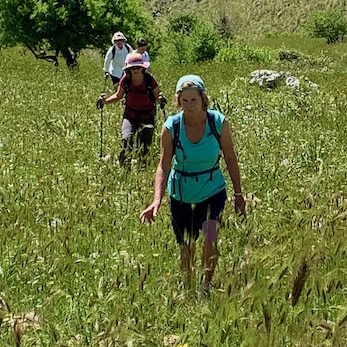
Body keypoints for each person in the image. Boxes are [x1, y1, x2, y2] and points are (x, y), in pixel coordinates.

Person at [141, 75, 246, 292]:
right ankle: (188, 289)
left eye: (194, 100)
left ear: (203, 99)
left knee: (210, 238)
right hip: (181, 194)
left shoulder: (218, 123)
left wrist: (238, 194)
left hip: (212, 191)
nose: (189, 106)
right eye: (184, 101)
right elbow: (164, 165)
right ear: (178, 101)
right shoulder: (172, 127)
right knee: (187, 246)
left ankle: (205, 287)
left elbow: (230, 158)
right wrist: (156, 200)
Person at [98, 51, 162, 166]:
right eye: (133, 68)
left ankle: (142, 169)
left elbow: (158, 95)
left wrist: (161, 99)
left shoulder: (149, 79)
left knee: (144, 146)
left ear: (143, 68)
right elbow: (118, 96)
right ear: (129, 69)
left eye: (138, 67)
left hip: (147, 116)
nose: (135, 70)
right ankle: (124, 168)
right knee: (126, 139)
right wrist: (105, 101)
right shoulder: (125, 79)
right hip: (130, 115)